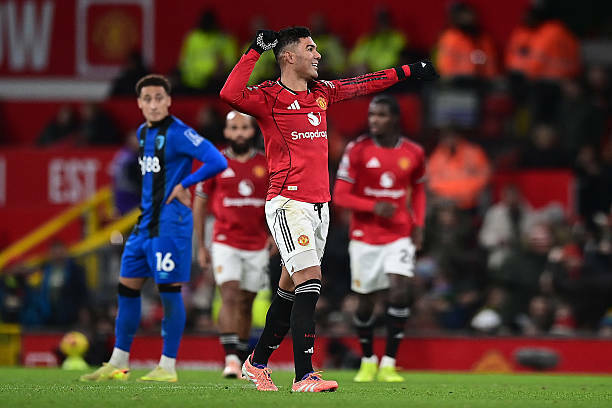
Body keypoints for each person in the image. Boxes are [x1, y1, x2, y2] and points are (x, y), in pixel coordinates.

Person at [220, 26, 437, 392]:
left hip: (319, 208)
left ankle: (256, 363)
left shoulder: (322, 93)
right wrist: (255, 51)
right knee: (310, 281)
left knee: (290, 290)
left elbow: (364, 83)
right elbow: (230, 93)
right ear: (289, 57)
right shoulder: (269, 97)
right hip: (288, 203)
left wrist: (409, 70)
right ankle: (304, 375)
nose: (318, 54)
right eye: (310, 48)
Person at [80, 74, 227, 383]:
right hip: (144, 224)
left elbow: (216, 160)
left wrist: (185, 184)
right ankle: (118, 362)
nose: (154, 104)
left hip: (171, 225)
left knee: (169, 293)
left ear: (169, 101)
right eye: (147, 99)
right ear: (139, 103)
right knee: (127, 290)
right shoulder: (142, 133)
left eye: (159, 98)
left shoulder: (179, 133)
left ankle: (167, 366)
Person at [332, 94, 426, 382]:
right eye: (372, 115)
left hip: (399, 234)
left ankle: (389, 363)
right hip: (365, 236)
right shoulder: (357, 150)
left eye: (381, 115)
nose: (374, 120)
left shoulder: (413, 152)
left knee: (399, 290)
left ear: (395, 119)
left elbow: (419, 191)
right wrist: (373, 206)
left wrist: (419, 224)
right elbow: (340, 195)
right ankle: (368, 360)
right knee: (365, 301)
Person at [193, 110, 272, 378]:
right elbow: (200, 203)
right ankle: (230, 359)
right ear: (226, 132)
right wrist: (201, 246)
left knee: (247, 301)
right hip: (225, 241)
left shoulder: (266, 163)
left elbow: (276, 202)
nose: (239, 133)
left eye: (244, 128)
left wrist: (274, 235)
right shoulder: (214, 163)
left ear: (253, 131)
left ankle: (240, 357)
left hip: (257, 243)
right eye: (234, 128)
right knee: (229, 294)